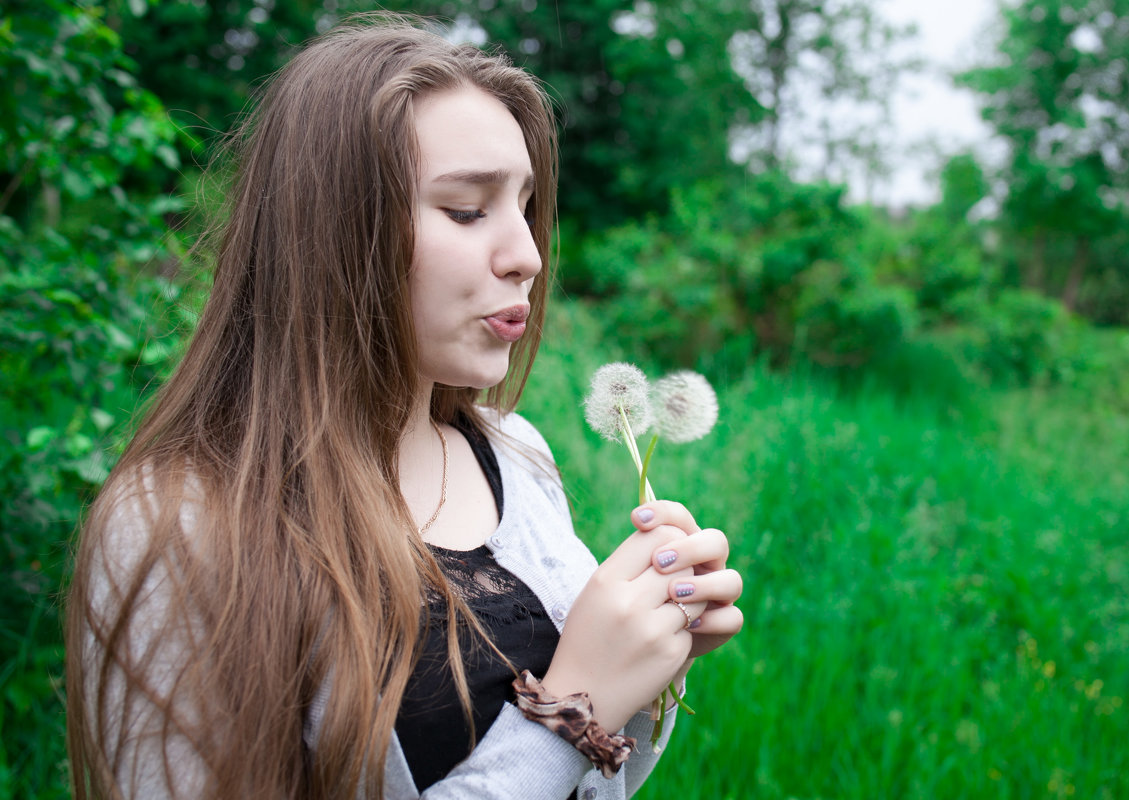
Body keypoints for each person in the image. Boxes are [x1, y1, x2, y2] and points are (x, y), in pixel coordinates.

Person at [65, 12, 743, 800]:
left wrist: (649, 666)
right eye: (466, 210)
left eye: (525, 206)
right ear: (333, 232)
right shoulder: (179, 525)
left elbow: (587, 781)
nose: (526, 253)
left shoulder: (517, 456)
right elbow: (554, 743)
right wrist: (568, 710)